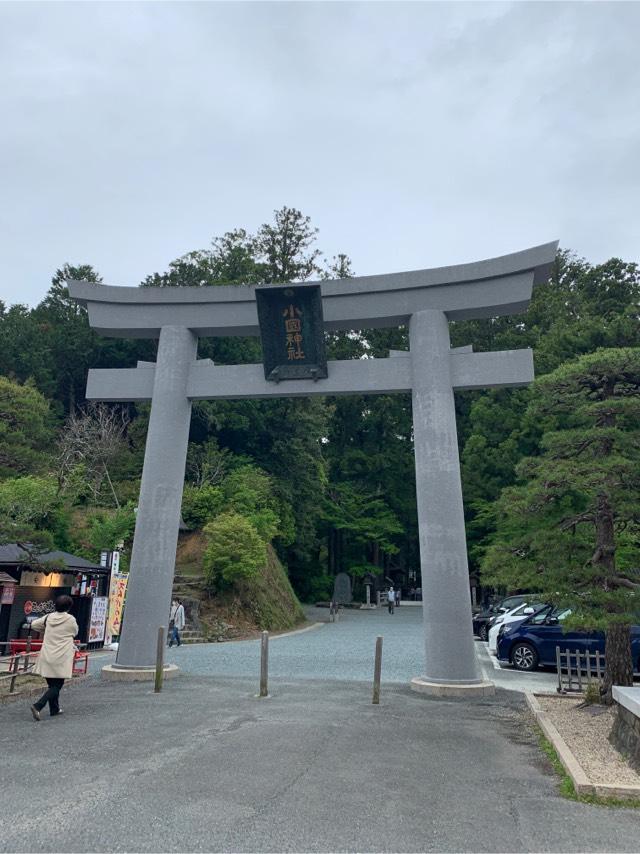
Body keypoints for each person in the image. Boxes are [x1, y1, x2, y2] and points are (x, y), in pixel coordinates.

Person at [29, 594, 78, 721]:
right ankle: (38, 705)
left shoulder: (49, 617)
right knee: (57, 686)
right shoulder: (70, 619)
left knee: (52, 685)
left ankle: (54, 709)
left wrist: (46, 629)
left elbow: (34, 624)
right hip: (61, 656)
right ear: (69, 607)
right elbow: (75, 631)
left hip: (47, 655)